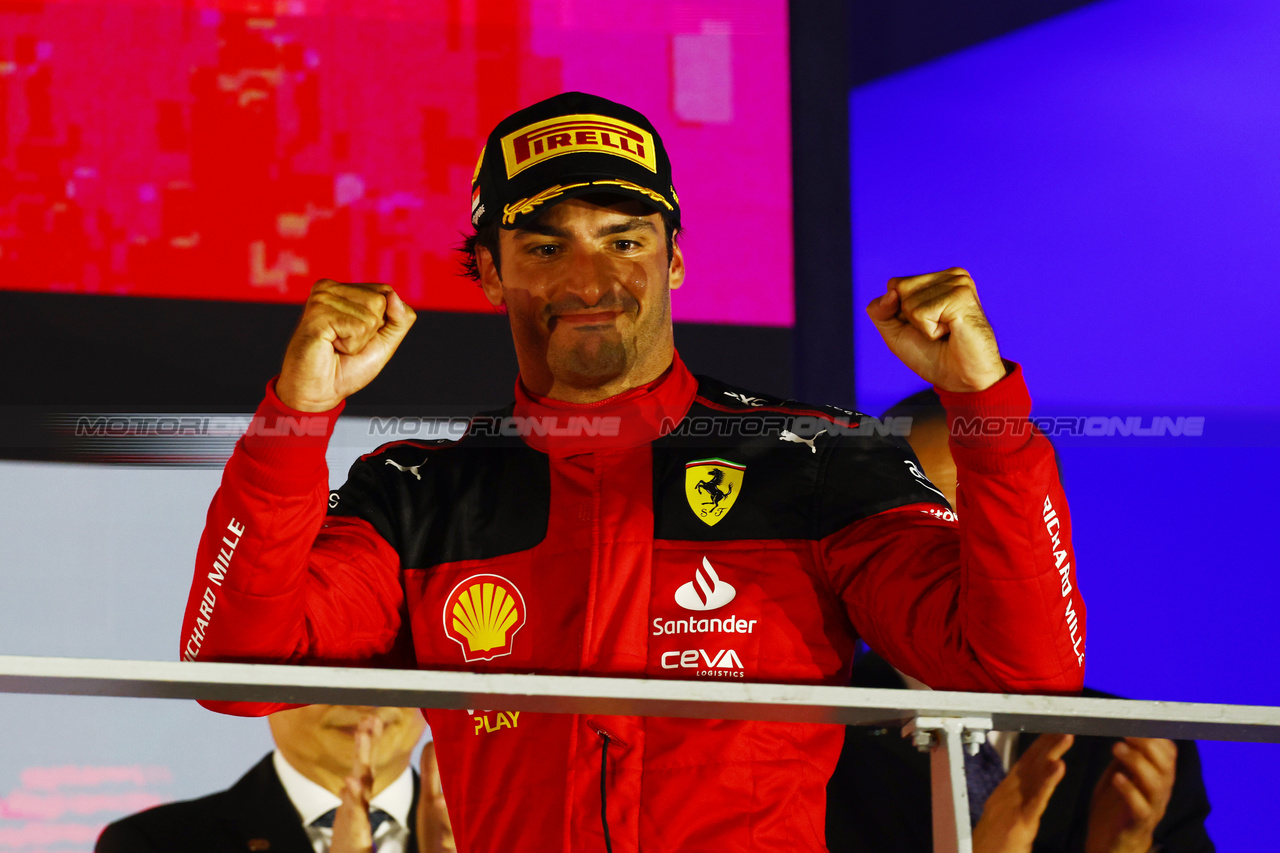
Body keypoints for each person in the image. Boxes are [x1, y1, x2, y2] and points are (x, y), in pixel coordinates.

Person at [179, 91, 1086, 851]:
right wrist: (294, 420)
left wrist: (985, 408)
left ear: (676, 257)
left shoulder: (816, 462)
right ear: (489, 272)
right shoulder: (420, 492)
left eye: (623, 239)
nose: (589, 278)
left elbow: (1023, 673)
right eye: (543, 247)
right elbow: (235, 668)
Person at [825, 389, 1212, 853]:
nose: (966, 549)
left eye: (992, 521)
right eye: (927, 519)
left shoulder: (1128, 751)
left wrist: (1126, 848)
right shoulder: (810, 737)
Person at [94, 705, 454, 852]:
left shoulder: (491, 837)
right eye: (327, 666)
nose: (363, 697)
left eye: (389, 665)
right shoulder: (157, 845)